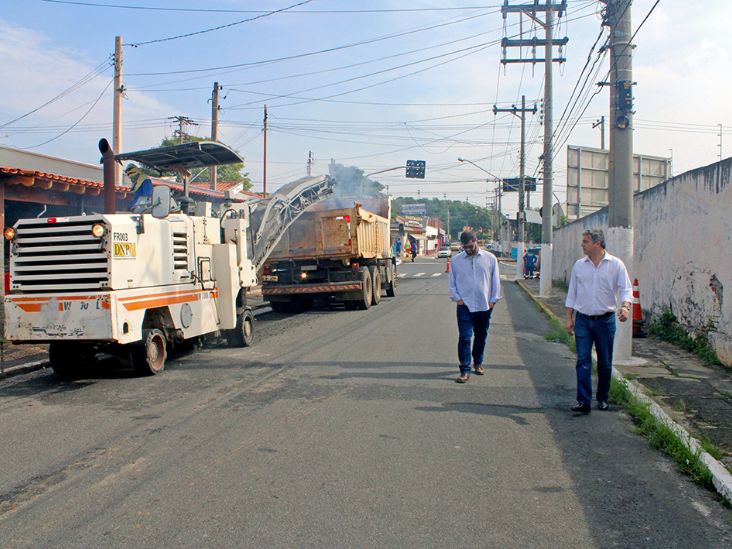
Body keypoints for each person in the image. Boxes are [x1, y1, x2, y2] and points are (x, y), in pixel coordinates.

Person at [565, 229, 632, 413]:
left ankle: (602, 397)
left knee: (605, 362)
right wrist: (569, 318)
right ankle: (583, 401)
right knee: (583, 360)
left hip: (605, 321)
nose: (582, 245)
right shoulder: (579, 266)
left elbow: (626, 289)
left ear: (597, 243)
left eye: (586, 242)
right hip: (583, 320)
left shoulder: (616, 265)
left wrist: (625, 307)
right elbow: (572, 293)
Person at [448, 231, 501, 383]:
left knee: (481, 336)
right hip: (465, 306)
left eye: (471, 246)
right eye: (465, 247)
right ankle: (465, 370)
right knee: (464, 337)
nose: (468, 250)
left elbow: (495, 280)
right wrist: (457, 299)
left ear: (476, 241)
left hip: (484, 305)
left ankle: (477, 363)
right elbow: (452, 282)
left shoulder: (490, 259)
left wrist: (493, 300)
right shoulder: (456, 260)